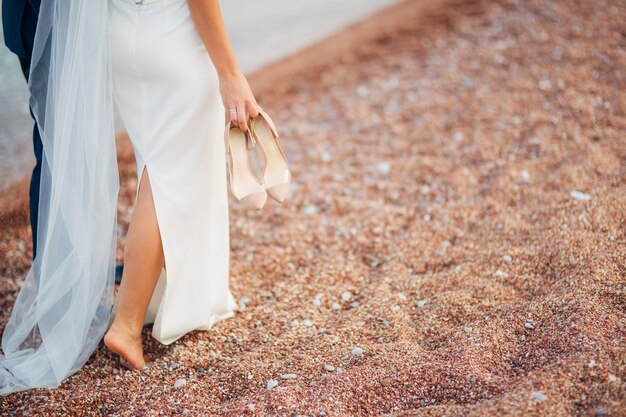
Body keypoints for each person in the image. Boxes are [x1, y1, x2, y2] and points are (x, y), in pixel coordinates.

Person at [0, 0, 261, 394]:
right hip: (171, 37)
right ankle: (126, 324)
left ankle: (155, 302)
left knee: (157, 166)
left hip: (125, 34)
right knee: (168, 174)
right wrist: (230, 72)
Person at [2, 0, 127, 283]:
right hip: (46, 20)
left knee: (66, 143)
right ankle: (57, 282)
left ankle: (73, 269)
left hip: (44, 19)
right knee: (57, 144)